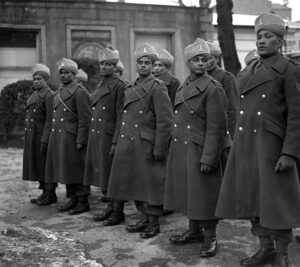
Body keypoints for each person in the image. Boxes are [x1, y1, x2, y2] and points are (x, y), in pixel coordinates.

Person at [215, 12, 300, 267]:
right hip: (248, 146)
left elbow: (296, 117)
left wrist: (289, 153)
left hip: (272, 149)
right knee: (254, 200)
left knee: (277, 204)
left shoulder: (288, 69)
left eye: (269, 36)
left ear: (280, 41)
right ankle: (265, 249)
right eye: (259, 36)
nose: (262, 41)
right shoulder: (249, 70)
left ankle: (282, 255)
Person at [164, 38, 228, 257]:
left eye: (205, 59)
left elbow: (217, 127)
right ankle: (194, 231)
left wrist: (209, 158)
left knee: (205, 195)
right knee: (190, 192)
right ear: (188, 62)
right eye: (196, 60)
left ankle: (210, 236)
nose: (202, 63)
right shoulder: (185, 85)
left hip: (201, 150)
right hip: (184, 147)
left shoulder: (213, 88)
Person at [107, 43, 173, 238]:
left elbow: (166, 120)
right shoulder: (131, 87)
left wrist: (160, 147)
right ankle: (144, 217)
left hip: (147, 143)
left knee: (150, 183)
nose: (144, 66)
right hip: (130, 142)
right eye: (140, 63)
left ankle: (153, 222)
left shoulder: (157, 87)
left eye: (148, 63)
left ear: (154, 66)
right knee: (136, 181)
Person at [84, 46, 127, 226]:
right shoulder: (101, 84)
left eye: (108, 64)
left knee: (113, 175)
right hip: (98, 136)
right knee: (103, 173)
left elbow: (121, 117)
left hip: (109, 136)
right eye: (101, 64)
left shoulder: (120, 86)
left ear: (114, 66)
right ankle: (109, 207)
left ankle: (118, 212)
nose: (103, 67)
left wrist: (116, 141)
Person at [45, 58, 91, 215]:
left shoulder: (80, 92)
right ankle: (72, 198)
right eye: (62, 73)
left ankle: (83, 201)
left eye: (68, 73)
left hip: (72, 137)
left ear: (74, 74)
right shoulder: (59, 92)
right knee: (66, 168)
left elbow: (85, 119)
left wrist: (81, 139)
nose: (64, 76)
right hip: (60, 137)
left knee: (76, 169)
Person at [23, 63, 57, 206]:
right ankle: (44, 192)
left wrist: (45, 139)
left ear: (46, 80)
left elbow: (50, 120)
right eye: (34, 79)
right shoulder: (35, 94)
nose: (36, 81)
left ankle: (51, 194)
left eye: (39, 79)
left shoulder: (49, 95)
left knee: (45, 165)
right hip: (33, 136)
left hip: (42, 135)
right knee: (37, 165)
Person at [206, 41, 238, 172]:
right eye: (202, 59)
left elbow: (232, 110)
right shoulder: (200, 78)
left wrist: (230, 137)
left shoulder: (226, 78)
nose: (205, 62)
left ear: (217, 59)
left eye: (209, 58)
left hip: (223, 136)